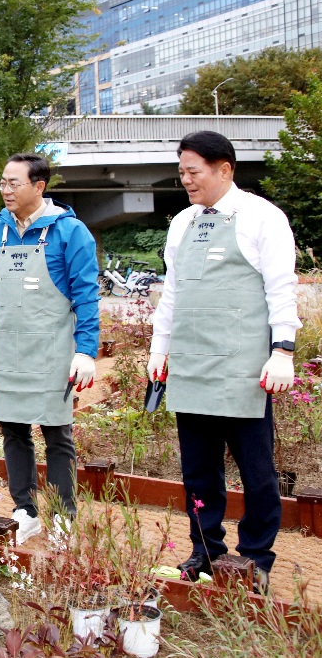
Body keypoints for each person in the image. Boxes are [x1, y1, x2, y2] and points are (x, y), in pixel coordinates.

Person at [147, 131, 299, 594]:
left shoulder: (262, 217)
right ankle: (205, 549)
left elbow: (281, 287)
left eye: (194, 172)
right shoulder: (183, 223)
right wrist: (159, 347)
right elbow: (172, 292)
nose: (187, 181)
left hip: (242, 367)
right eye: (182, 173)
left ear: (225, 169)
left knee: (256, 470)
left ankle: (256, 556)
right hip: (191, 365)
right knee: (197, 471)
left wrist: (283, 350)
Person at [0, 152, 99, 544]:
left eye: (14, 183)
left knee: (57, 432)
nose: (6, 190)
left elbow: (86, 296)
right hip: (6, 348)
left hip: (53, 350)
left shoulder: (70, 232)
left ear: (38, 187)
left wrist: (86, 350)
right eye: (2, 183)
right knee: (12, 429)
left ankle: (63, 515)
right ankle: (24, 509)